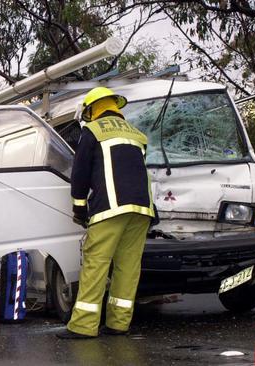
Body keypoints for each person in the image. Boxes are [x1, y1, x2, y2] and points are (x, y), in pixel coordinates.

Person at [56, 87, 155, 339]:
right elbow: (139, 172)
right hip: (142, 209)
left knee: (96, 264)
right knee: (128, 267)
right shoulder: (137, 134)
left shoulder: (92, 131)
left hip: (110, 209)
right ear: (114, 106)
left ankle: (83, 326)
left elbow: (80, 173)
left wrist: (79, 207)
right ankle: (118, 324)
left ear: (92, 110)